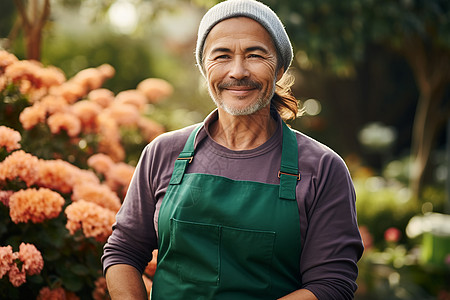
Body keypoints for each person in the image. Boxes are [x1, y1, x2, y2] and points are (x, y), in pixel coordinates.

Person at [102, 0, 364, 299]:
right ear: (205, 68)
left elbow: (331, 285)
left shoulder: (323, 168)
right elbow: (124, 250)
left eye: (255, 55)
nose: (238, 71)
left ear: (278, 69)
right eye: (222, 56)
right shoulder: (163, 153)